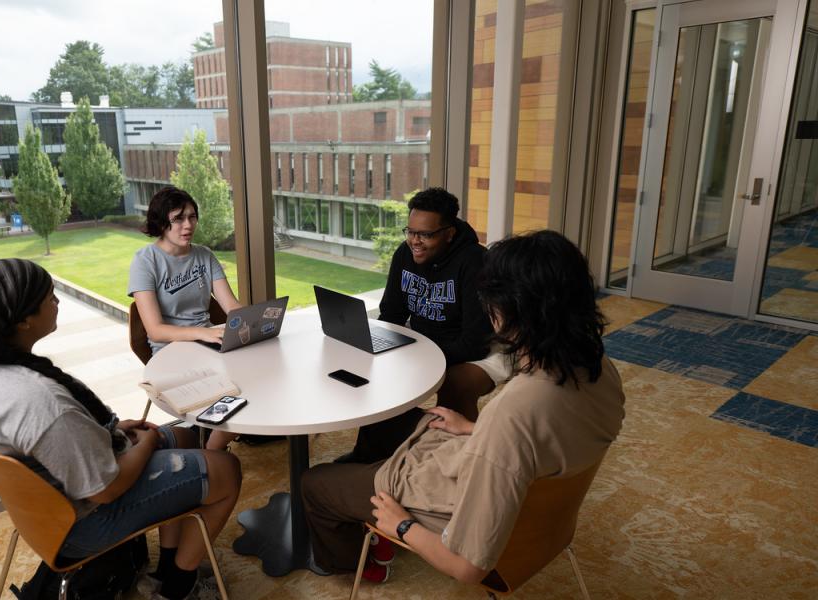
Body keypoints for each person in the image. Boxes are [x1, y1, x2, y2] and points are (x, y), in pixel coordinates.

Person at [301, 230, 626, 585]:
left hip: (452, 500)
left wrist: (403, 525)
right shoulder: (595, 365)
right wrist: (476, 428)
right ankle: (363, 498)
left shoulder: (517, 410)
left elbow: (468, 567)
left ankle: (355, 564)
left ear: (509, 311)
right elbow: (554, 435)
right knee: (386, 424)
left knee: (315, 483)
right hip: (516, 487)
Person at [0, 259, 241, 600]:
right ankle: (179, 587)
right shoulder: (38, 399)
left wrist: (112, 429)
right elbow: (106, 490)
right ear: (24, 320)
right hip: (81, 523)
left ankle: (165, 566)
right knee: (226, 469)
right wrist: (145, 444)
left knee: (185, 437)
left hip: (52, 503)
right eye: (49, 297)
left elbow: (43, 439)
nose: (56, 301)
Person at [337, 187, 506, 463]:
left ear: (449, 233)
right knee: (383, 368)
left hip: (481, 350)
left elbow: (475, 341)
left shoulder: (476, 262)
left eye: (425, 234)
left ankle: (451, 462)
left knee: (455, 384)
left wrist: (421, 358)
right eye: (411, 231)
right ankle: (371, 454)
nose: (415, 241)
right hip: (426, 344)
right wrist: (380, 346)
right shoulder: (405, 254)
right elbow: (391, 313)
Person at [128, 186, 242, 451]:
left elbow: (231, 306)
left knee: (257, 372)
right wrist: (205, 333)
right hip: (171, 352)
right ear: (161, 222)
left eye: (191, 217)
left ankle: (216, 440)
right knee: (237, 386)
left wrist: (252, 321)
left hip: (209, 343)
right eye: (178, 218)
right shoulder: (145, 261)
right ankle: (213, 451)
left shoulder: (204, 255)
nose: (187, 225)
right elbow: (155, 331)